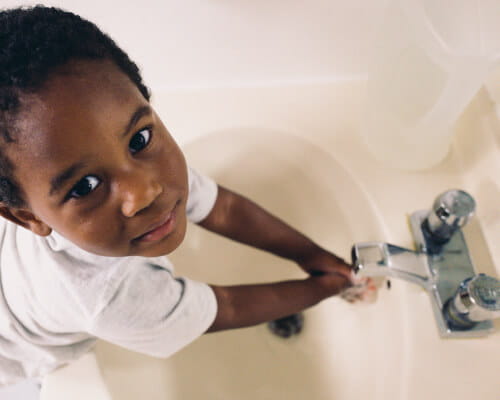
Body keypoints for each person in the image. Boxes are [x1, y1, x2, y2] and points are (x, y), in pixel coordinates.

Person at [0, 5, 375, 386]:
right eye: (84, 187)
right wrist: (329, 285)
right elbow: (223, 307)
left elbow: (223, 208)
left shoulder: (139, 165)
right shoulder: (105, 300)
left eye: (139, 138)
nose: (144, 193)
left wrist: (311, 255)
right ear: (28, 217)